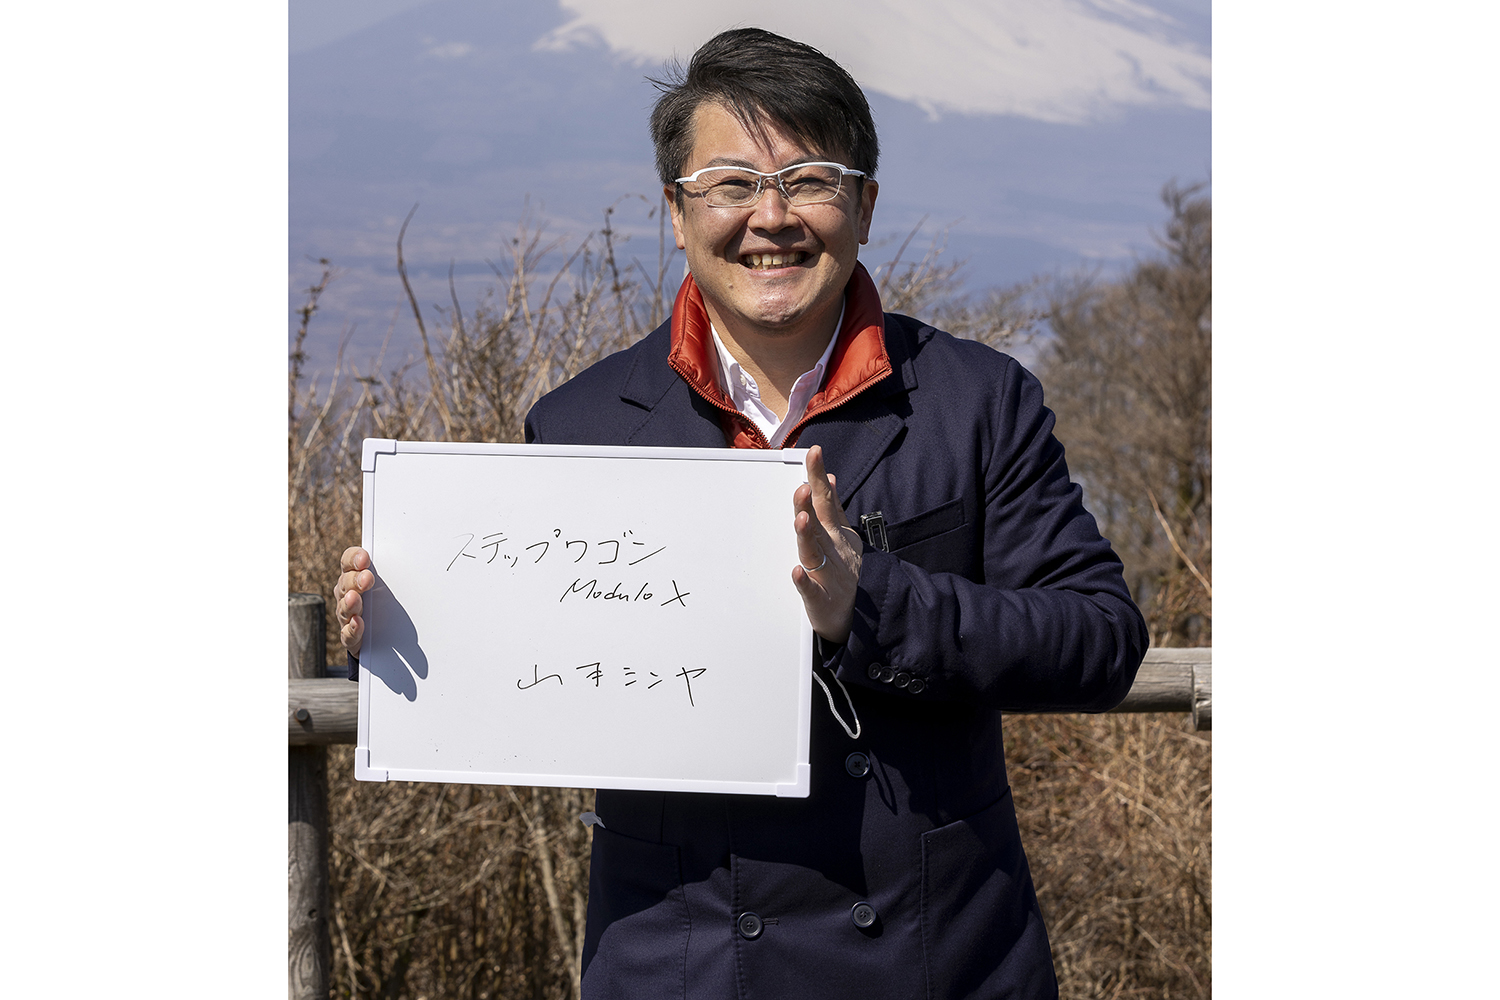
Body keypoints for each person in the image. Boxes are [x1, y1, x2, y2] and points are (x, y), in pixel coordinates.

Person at [335, 27, 1148, 999]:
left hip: (936, 960)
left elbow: (1099, 638)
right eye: (729, 184)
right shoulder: (582, 422)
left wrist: (869, 604)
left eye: (808, 178)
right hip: (678, 965)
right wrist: (404, 629)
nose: (772, 217)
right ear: (676, 213)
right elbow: (530, 670)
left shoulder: (976, 402)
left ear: (865, 204)